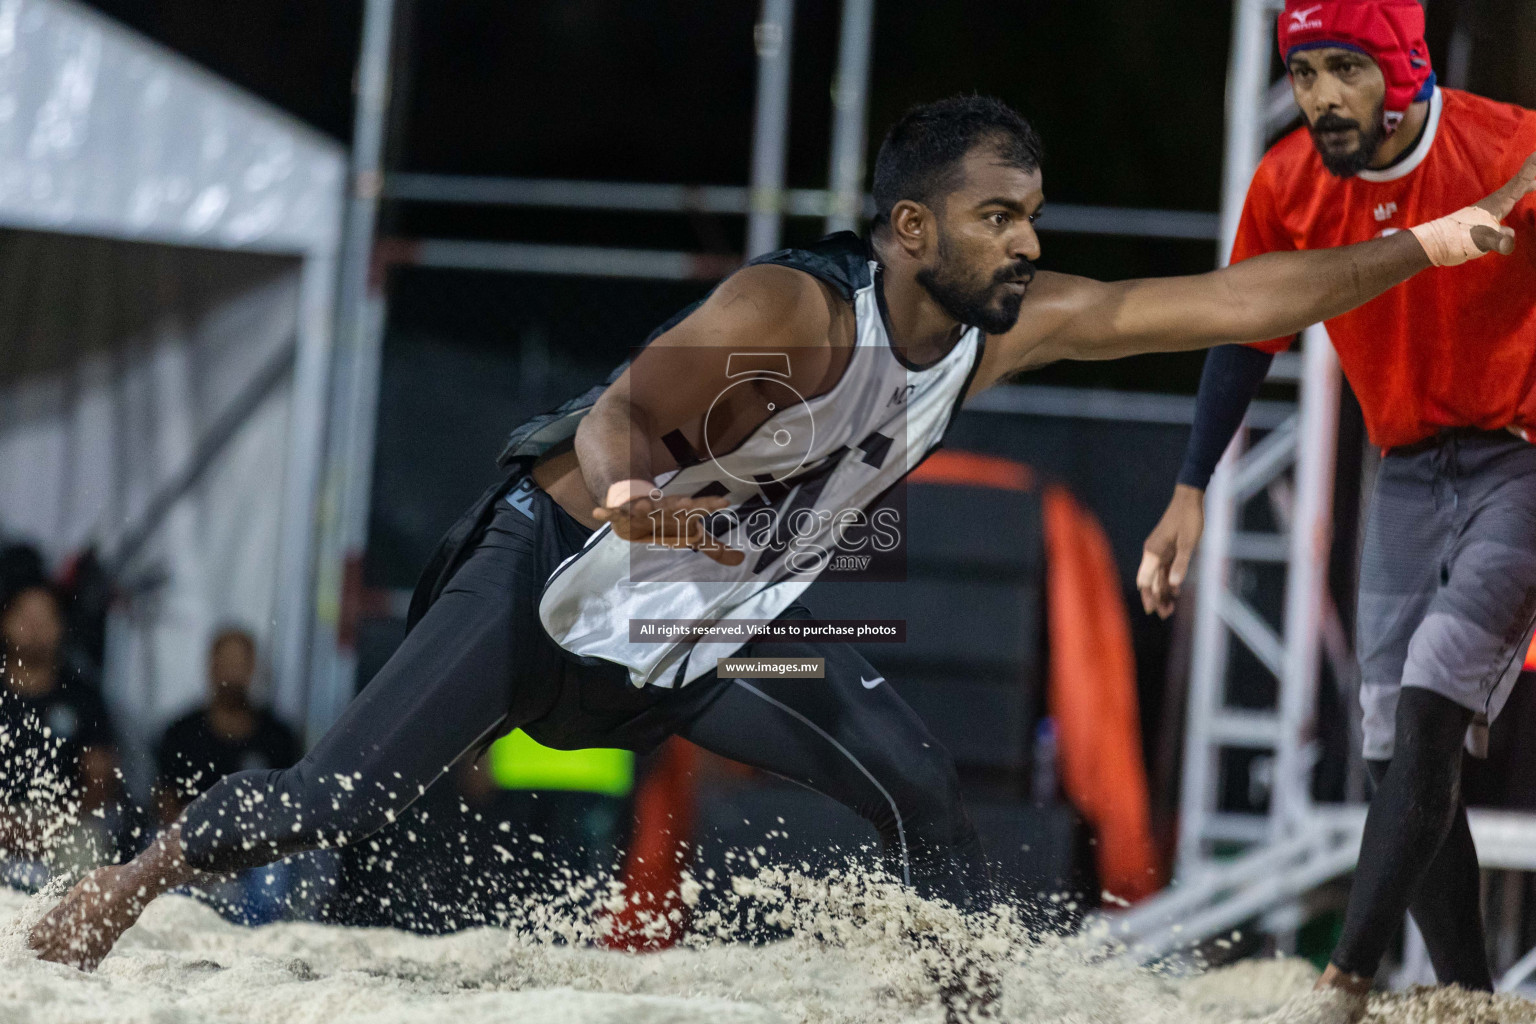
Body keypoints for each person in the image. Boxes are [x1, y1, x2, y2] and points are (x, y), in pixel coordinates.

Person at [29, 94, 1531, 1000]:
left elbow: (1238, 302)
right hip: (550, 593)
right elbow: (612, 460)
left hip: (690, 643)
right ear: (904, 229)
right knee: (327, 805)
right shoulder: (791, 315)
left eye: (1035, 217)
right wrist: (728, 535)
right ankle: (141, 869)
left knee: (919, 783)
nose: (1025, 244)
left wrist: (1427, 244)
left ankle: (957, 996)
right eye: (997, 218)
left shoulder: (1004, 336)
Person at [1135, 1, 1536, 1018]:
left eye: (1342, 69)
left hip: (1524, 461)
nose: (1318, 98)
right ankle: (1471, 1000)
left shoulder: (1510, 146)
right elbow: (1239, 335)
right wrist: (1190, 488)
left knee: (1434, 692)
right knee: (1385, 748)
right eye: (1303, 72)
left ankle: (1345, 984)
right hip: (1403, 469)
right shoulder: (1288, 185)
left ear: (1402, 65)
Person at [0, 582, 135, 883]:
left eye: (45, 616)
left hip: (63, 821)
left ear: (61, 627)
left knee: (85, 848)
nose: (34, 626)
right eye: (25, 615)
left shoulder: (82, 696)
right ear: (5, 622)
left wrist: (55, 822)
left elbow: (99, 780)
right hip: (1, 816)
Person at [154, 627, 299, 824]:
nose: (232, 675)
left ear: (253, 668)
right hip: (189, 843)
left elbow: (292, 806)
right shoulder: (180, 733)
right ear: (212, 665)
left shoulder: (279, 738)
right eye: (226, 663)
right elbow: (165, 803)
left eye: (240, 665)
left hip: (262, 844)